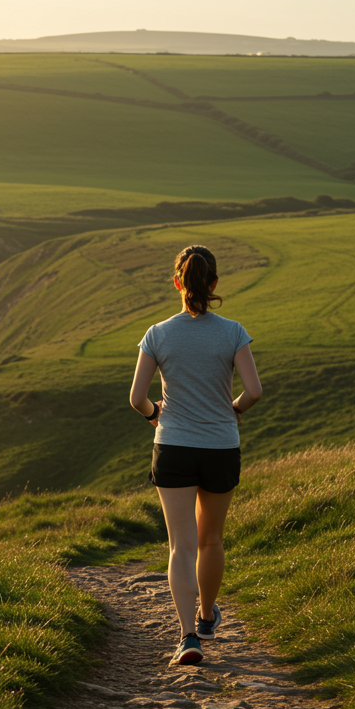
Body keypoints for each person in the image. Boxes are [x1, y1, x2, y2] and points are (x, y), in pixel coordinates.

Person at [129, 244, 262, 666]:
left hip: (173, 447)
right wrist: (235, 410)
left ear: (177, 283)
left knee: (180, 547)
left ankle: (188, 637)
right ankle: (207, 616)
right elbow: (255, 390)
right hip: (221, 446)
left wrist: (155, 415)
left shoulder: (157, 334)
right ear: (214, 284)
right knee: (212, 540)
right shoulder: (233, 332)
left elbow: (136, 398)